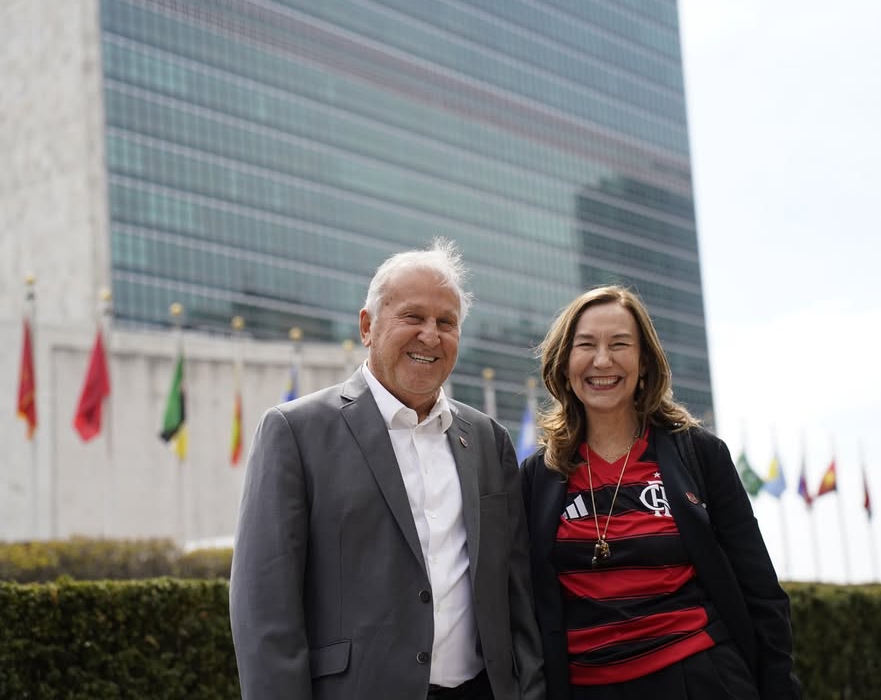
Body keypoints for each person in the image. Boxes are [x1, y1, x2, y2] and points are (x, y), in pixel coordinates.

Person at [230, 238, 545, 700]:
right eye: (413, 317)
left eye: (447, 322)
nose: (431, 336)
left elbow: (517, 596)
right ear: (367, 325)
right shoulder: (295, 432)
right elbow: (264, 611)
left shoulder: (487, 440)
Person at [520, 285, 800, 700]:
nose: (602, 360)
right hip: (586, 688)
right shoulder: (537, 476)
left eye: (620, 345)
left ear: (645, 363)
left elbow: (761, 590)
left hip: (699, 678)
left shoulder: (699, 454)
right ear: (564, 364)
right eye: (586, 345)